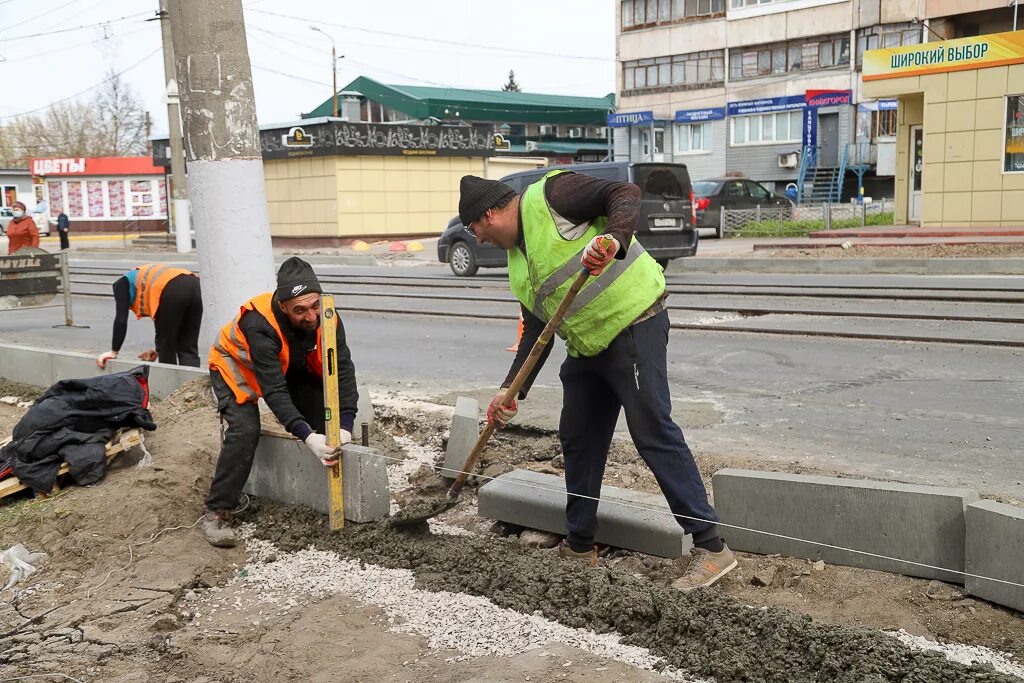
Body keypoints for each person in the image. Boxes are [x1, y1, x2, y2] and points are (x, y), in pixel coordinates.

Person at [458, 172, 737, 591]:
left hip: (635, 322)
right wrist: (511, 390)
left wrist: (612, 241)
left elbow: (624, 193)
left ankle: (713, 548)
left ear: (491, 213)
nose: (476, 238)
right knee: (578, 437)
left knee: (651, 430)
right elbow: (539, 331)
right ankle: (580, 545)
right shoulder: (518, 264)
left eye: (474, 228)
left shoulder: (552, 197)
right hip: (588, 346)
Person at [202, 257, 358, 547]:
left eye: (314, 306)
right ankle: (217, 512)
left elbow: (343, 370)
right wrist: (308, 437)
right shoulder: (259, 322)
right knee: (245, 430)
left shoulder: (327, 315)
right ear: (283, 306)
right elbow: (273, 390)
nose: (311, 316)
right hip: (235, 367)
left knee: (321, 417)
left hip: (286, 363)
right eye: (300, 310)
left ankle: (323, 496)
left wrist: (345, 423)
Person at [96, 264, 203, 369]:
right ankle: (193, 385)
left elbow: (121, 319)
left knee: (167, 349)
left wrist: (113, 351)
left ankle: (169, 385)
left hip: (170, 288)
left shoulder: (120, 285)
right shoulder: (142, 278)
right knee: (188, 347)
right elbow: (168, 330)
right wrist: (157, 349)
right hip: (195, 284)